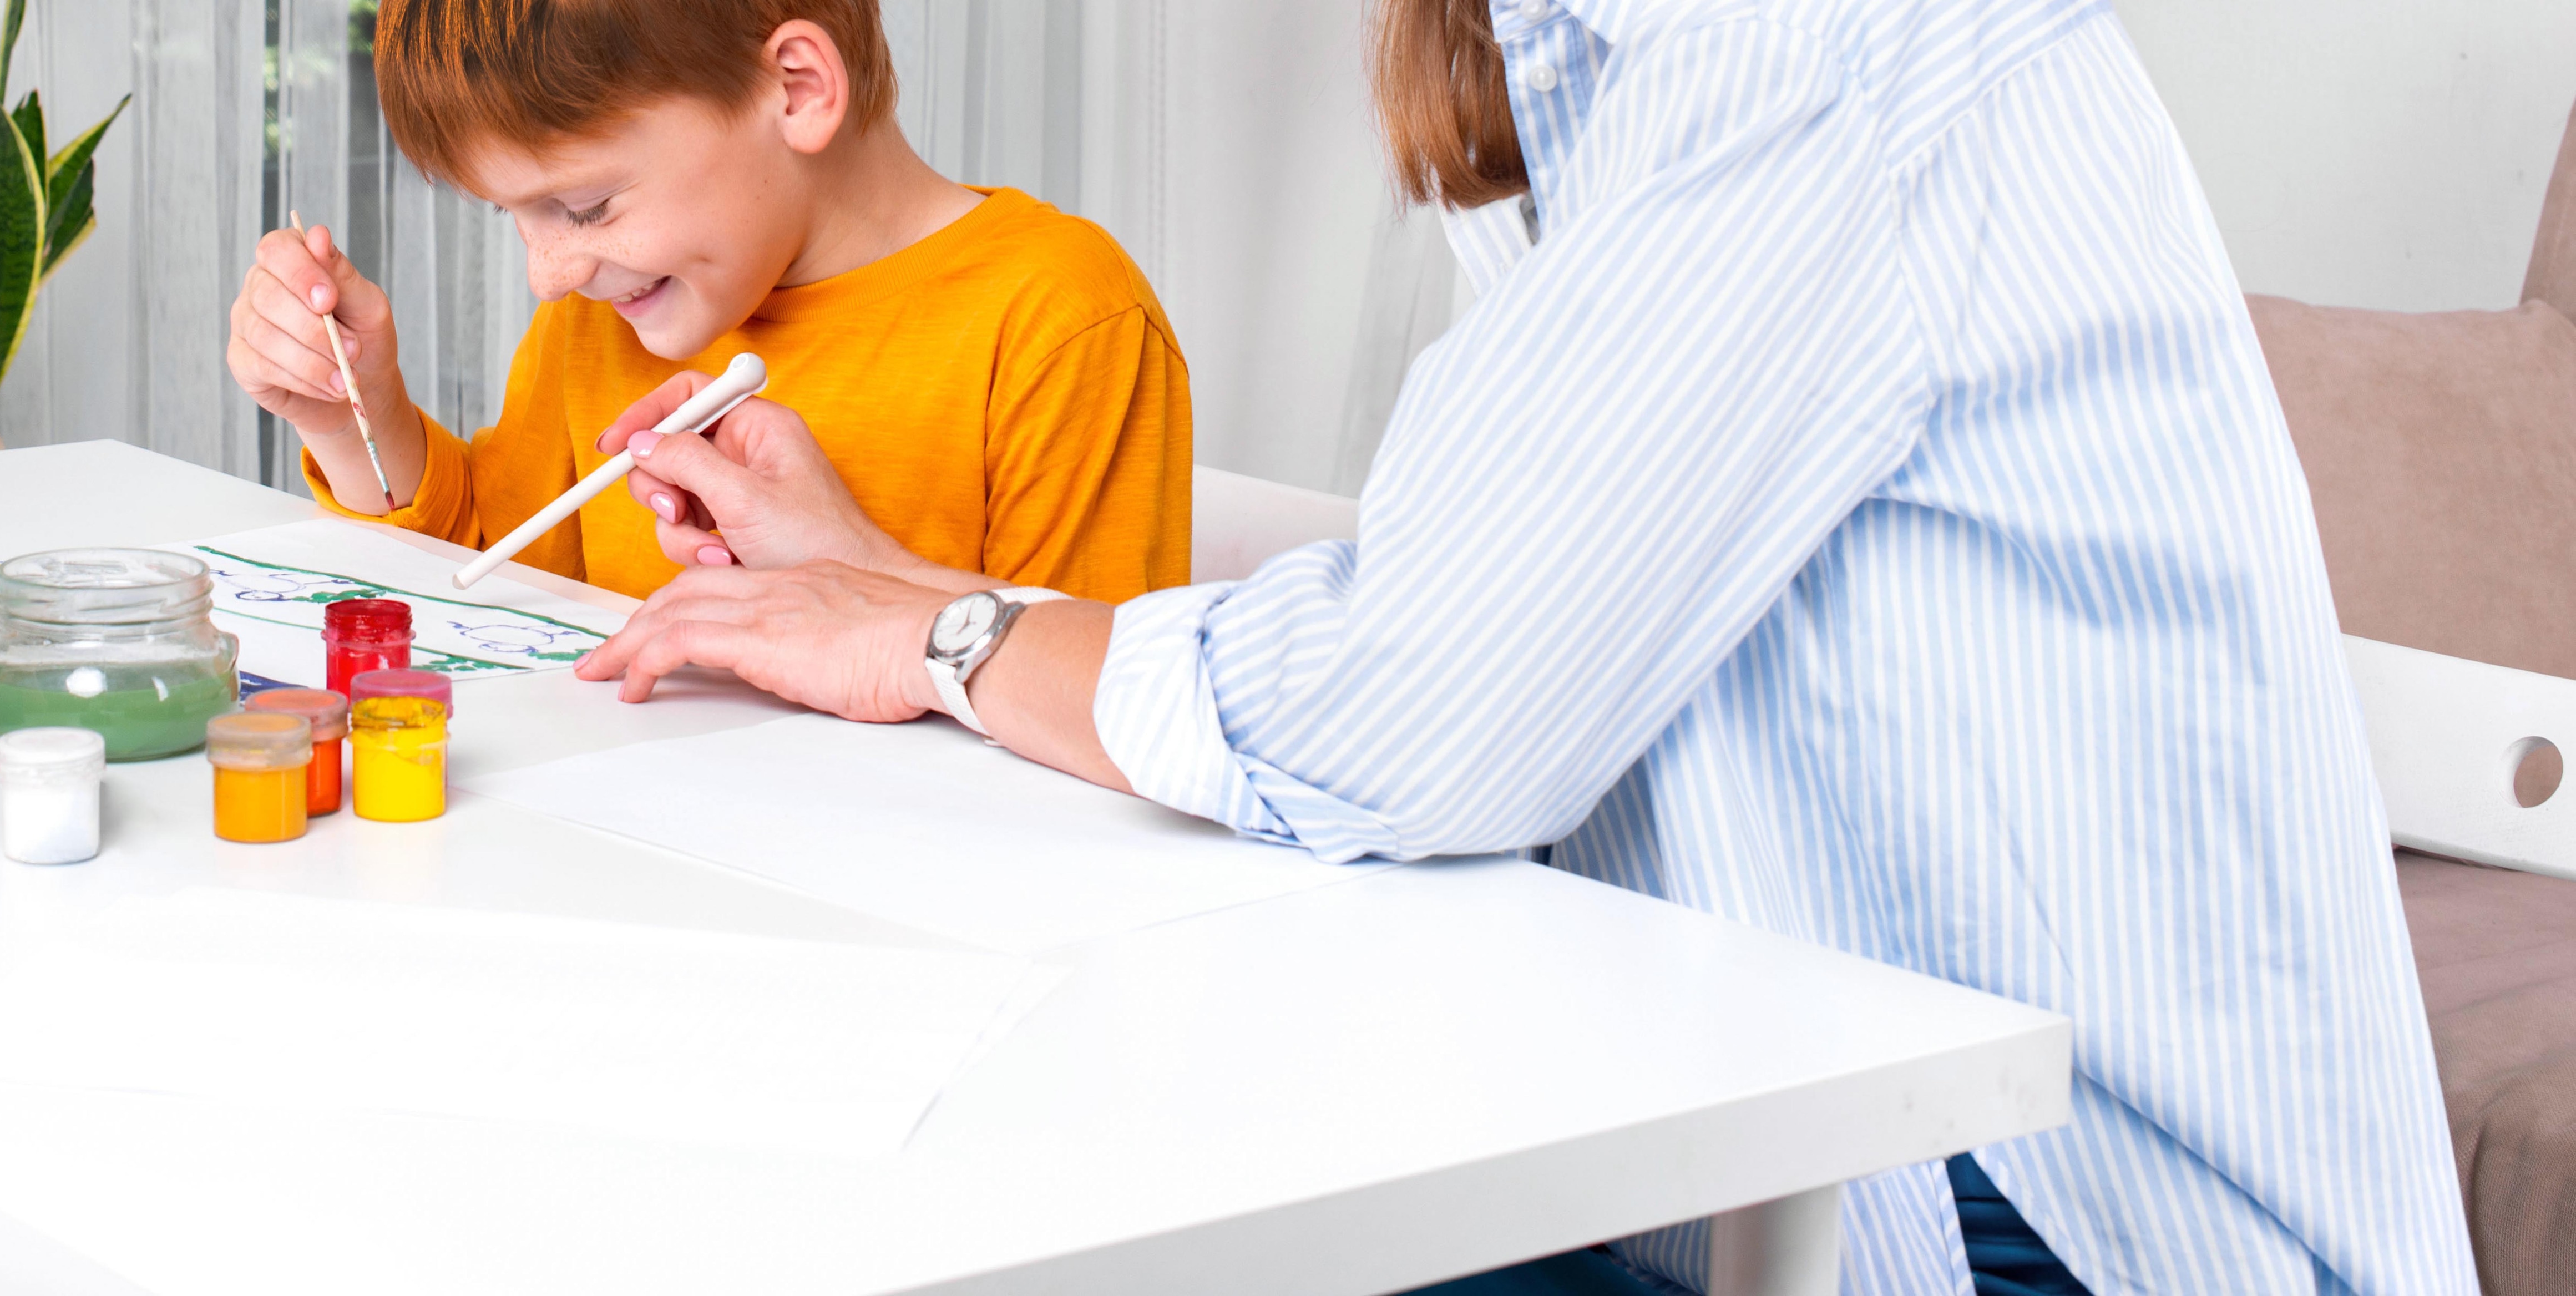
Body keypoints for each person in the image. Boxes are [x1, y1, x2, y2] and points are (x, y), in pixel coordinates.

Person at [576, 0, 2479, 1292]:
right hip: (1812, 1125)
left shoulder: (1805, 54)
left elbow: (1421, 719)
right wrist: (894, 587)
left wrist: (944, 636)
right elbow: (1479, 620)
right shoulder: (1599, 76)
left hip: (2048, 1214)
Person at [224, 0, 1191, 604]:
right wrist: (357, 417)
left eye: (587, 207)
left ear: (795, 88)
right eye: (515, 219)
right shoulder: (611, 307)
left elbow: (1103, 702)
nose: (549, 275)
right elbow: (498, 576)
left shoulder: (1057, 322)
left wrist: (848, 583)